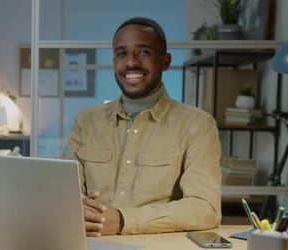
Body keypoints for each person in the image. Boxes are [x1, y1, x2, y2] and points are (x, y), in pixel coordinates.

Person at [66, 17, 222, 236]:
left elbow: (205, 209)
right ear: (114, 61)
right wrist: (82, 211)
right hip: (90, 247)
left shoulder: (197, 125)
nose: (131, 62)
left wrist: (122, 220)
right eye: (122, 53)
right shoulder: (85, 122)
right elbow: (63, 194)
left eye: (144, 52)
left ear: (165, 61)